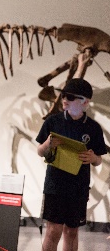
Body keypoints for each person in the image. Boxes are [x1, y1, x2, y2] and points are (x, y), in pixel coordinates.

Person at [36, 78, 107, 251]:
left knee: (71, 232)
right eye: (63, 96)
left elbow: (99, 160)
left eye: (69, 96)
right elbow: (39, 151)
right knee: (53, 231)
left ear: (85, 102)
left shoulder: (93, 128)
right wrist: (48, 144)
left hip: (78, 187)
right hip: (55, 185)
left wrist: (93, 158)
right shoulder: (53, 122)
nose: (64, 99)